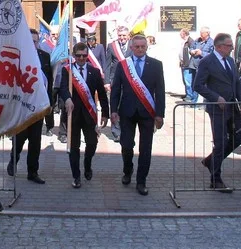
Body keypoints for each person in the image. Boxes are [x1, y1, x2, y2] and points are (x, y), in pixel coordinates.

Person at [109, 34, 165, 195]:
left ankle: (141, 181)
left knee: (145, 148)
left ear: (146, 47)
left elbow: (160, 91)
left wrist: (160, 114)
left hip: (147, 112)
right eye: (137, 47)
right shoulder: (123, 65)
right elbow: (116, 90)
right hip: (127, 112)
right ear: (131, 48)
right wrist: (113, 110)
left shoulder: (156, 65)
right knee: (126, 145)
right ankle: (128, 170)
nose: (140, 49)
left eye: (143, 46)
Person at [193, 32, 241, 193]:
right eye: (229, 46)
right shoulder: (207, 62)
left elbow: (237, 83)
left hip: (232, 107)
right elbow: (198, 85)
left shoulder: (230, 61)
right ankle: (216, 179)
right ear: (219, 46)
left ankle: (211, 161)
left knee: (237, 138)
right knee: (220, 142)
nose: (232, 48)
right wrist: (215, 97)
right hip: (217, 109)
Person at [59, 42, 110, 189]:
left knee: (92, 144)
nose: (81, 58)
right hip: (72, 115)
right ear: (74, 56)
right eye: (79, 56)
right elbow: (63, 87)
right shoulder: (67, 71)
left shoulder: (94, 71)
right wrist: (67, 98)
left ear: (87, 56)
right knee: (73, 147)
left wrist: (105, 114)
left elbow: (101, 93)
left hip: (90, 115)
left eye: (84, 56)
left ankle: (87, 164)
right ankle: (76, 176)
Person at [6, 30, 49, 184]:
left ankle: (33, 172)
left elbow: (47, 82)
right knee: (19, 138)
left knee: (35, 142)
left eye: (35, 41)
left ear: (39, 42)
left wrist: (49, 105)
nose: (33, 44)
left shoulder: (45, 57)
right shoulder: (18, 56)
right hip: (21, 106)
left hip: (38, 107)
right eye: (30, 41)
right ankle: (13, 160)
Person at [104, 25, 130, 141]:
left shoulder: (133, 46)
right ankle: (116, 131)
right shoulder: (111, 46)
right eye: (120, 35)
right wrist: (106, 82)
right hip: (115, 80)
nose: (122, 38)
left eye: (124, 35)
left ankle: (126, 129)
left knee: (127, 105)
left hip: (130, 80)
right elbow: (107, 65)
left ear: (128, 36)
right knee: (114, 105)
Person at [179, 28, 198, 103]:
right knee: (185, 80)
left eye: (181, 33)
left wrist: (189, 63)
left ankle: (190, 96)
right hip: (183, 64)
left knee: (188, 81)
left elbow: (192, 53)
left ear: (184, 33)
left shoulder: (190, 41)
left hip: (188, 65)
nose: (180, 35)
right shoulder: (184, 42)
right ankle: (188, 94)